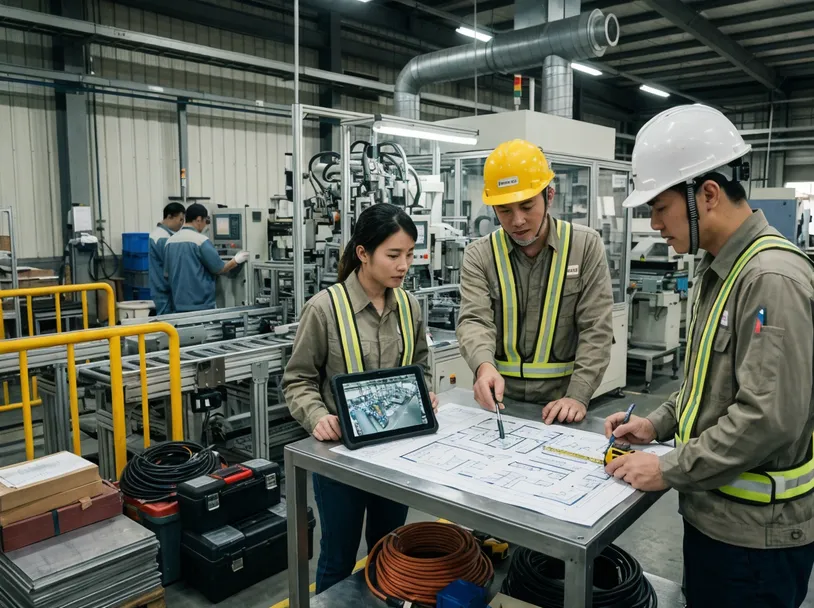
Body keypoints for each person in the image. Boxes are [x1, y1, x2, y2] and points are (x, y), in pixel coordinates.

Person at [603, 104, 814, 608]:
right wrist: (657, 425)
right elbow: (706, 382)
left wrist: (670, 467)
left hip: (755, 540)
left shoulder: (769, 281)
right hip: (716, 520)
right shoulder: (718, 269)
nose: (655, 225)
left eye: (659, 208)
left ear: (708, 195)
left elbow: (766, 418)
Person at [282, 203, 439, 594]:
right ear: (363, 253)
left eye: (409, 254)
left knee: (389, 549)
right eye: (393, 255)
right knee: (338, 554)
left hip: (397, 453)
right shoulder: (324, 309)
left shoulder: (408, 305)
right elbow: (297, 379)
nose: (404, 265)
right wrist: (317, 416)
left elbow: (421, 363)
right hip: (341, 459)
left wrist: (425, 393)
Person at [456, 139, 614, 425]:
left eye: (527, 206)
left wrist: (578, 396)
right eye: (504, 210)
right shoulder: (479, 255)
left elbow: (596, 329)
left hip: (561, 405)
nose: (517, 220)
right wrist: (483, 367)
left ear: (549, 195)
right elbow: (474, 321)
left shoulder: (584, 246)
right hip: (499, 404)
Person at [164, 203, 250, 312]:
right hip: (201, 305)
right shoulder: (200, 241)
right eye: (206, 221)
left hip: (178, 304)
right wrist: (236, 260)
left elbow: (167, 274)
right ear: (199, 219)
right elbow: (219, 269)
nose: (206, 226)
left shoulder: (169, 241)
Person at [148, 202, 185, 315]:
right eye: (180, 220)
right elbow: (171, 266)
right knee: (167, 324)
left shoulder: (158, 234)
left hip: (161, 288)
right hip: (165, 290)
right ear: (169, 217)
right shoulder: (162, 238)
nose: (182, 224)